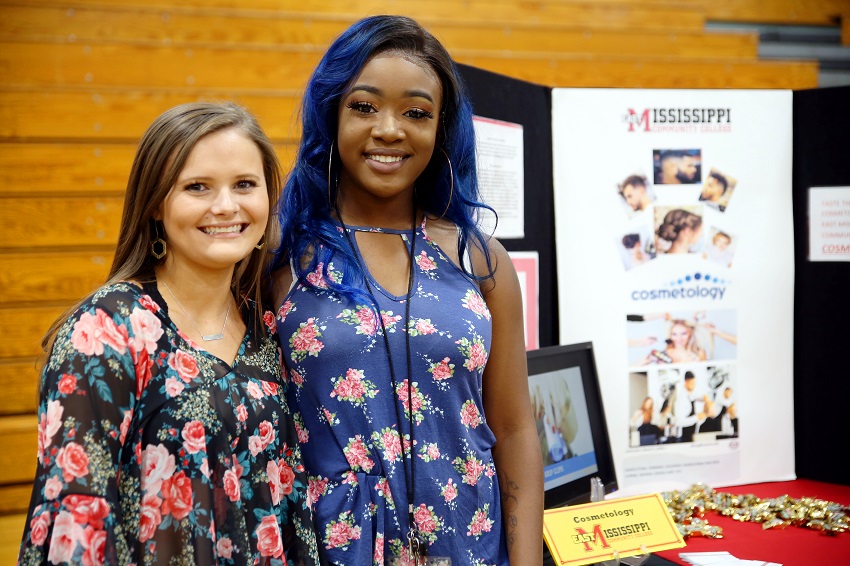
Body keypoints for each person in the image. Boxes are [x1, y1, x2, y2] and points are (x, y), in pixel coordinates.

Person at [271, 15, 543, 565]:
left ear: (442, 129)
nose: (390, 129)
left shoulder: (480, 260)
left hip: (470, 542)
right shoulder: (282, 254)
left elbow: (514, 430)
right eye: (364, 106)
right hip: (331, 549)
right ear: (331, 114)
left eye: (416, 113)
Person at [18, 102, 319, 565]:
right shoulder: (108, 330)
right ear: (157, 204)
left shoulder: (266, 332)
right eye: (197, 187)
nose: (225, 206)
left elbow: (288, 505)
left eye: (244, 185)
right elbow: (75, 513)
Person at [675, 372, 709, 443]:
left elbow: (695, 397)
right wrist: (697, 417)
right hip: (683, 437)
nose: (694, 386)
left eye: (695, 383)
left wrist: (704, 398)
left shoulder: (689, 395)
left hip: (691, 433)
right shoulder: (681, 399)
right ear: (686, 382)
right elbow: (679, 422)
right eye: (692, 383)